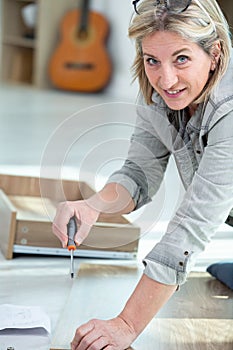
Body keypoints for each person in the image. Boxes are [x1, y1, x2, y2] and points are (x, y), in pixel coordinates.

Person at [52, 0, 233, 349]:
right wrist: (92, 206)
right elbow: (138, 174)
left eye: (181, 58)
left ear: (214, 54)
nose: (166, 79)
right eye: (152, 60)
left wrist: (125, 324)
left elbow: (191, 226)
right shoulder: (158, 92)